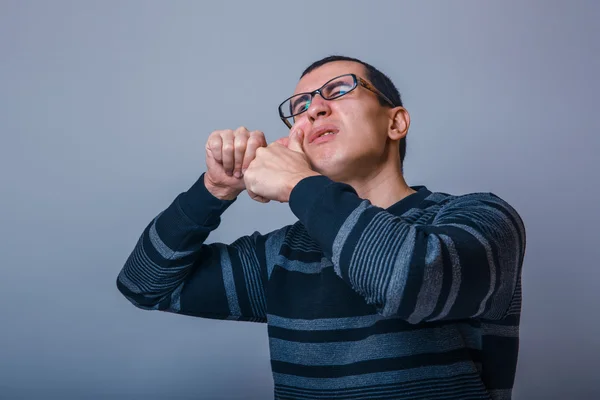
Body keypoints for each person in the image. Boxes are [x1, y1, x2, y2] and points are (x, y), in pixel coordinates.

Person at [116, 55, 526, 400]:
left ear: (396, 123)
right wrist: (214, 188)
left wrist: (297, 184)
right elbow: (144, 285)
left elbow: (410, 280)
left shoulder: (483, 218)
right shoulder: (282, 256)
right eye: (300, 105)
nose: (313, 109)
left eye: (338, 90)